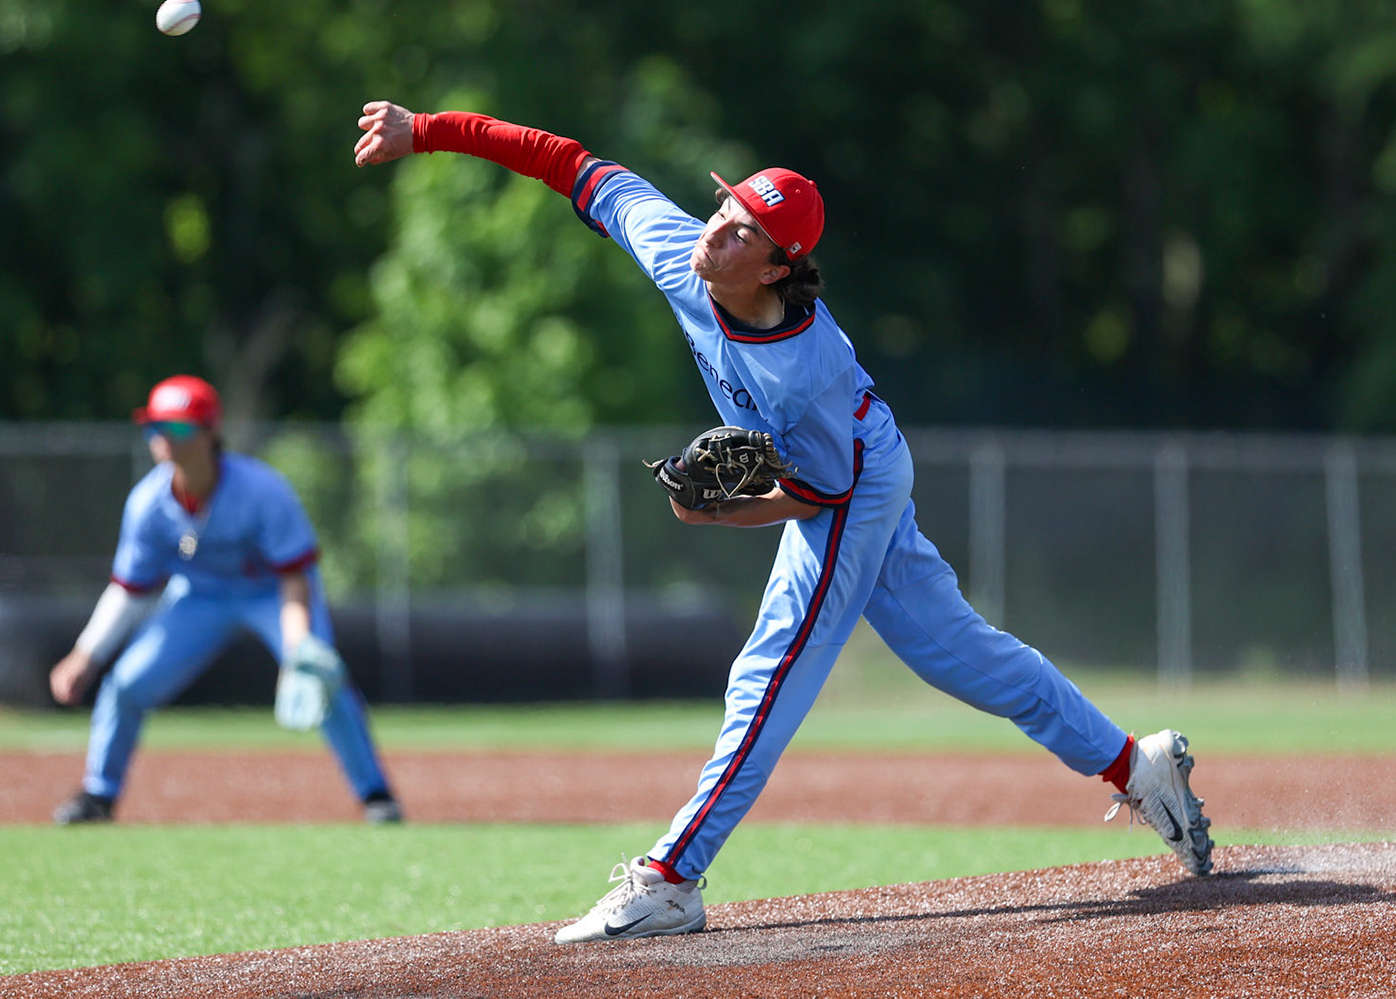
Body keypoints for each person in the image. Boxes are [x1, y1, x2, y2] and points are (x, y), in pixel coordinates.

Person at [351, 105, 1213, 941]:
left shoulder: (800, 373)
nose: (716, 226)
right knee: (960, 654)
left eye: (741, 228)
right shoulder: (680, 251)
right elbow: (565, 160)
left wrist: (714, 513)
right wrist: (426, 131)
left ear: (772, 269)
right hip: (858, 453)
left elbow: (823, 497)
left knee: (770, 671)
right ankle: (1133, 763)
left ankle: (670, 881)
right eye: (726, 204)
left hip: (853, 479)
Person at [49, 374, 402, 825]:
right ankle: (99, 795)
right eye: (155, 427)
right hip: (199, 598)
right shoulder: (148, 504)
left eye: (178, 427)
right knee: (126, 684)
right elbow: (131, 589)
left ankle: (375, 794)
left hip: (271, 595)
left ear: (210, 431)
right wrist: (86, 654)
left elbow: (295, 576)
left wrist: (298, 651)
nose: (163, 438)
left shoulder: (263, 490)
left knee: (322, 678)